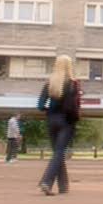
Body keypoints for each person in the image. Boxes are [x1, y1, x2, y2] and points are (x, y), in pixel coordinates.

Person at [36, 55, 81, 195]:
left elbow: (40, 105)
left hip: (51, 120)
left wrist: (49, 110)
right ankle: (46, 182)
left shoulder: (49, 83)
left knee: (57, 153)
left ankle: (63, 186)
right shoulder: (73, 83)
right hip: (67, 121)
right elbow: (76, 105)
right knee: (59, 152)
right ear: (69, 66)